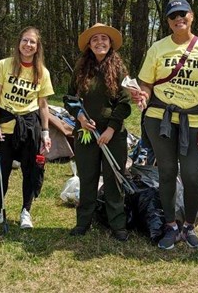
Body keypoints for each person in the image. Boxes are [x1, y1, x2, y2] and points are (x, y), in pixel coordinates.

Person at [131, 0, 198, 250]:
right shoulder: (157, 48)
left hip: (194, 121)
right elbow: (146, 82)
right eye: (173, 16)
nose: (178, 19)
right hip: (160, 120)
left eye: (183, 14)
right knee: (166, 173)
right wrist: (143, 94)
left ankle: (189, 226)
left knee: (192, 175)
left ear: (191, 16)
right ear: (168, 21)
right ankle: (170, 225)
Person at [65, 23, 132, 241]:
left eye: (104, 38)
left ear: (110, 43)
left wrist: (111, 129)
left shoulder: (119, 68)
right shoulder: (81, 68)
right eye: (95, 39)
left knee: (113, 179)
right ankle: (83, 222)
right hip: (86, 133)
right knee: (87, 177)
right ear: (89, 45)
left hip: (112, 134)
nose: (100, 42)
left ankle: (118, 225)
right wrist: (81, 118)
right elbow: (70, 99)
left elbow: (125, 101)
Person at [0, 27, 53, 230]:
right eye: (25, 40)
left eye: (32, 42)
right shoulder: (4, 64)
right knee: (2, 170)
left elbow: (43, 105)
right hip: (5, 124)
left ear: (37, 46)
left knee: (30, 170)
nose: (28, 45)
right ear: (19, 42)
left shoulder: (42, 72)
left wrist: (46, 132)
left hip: (30, 125)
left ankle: (26, 211)